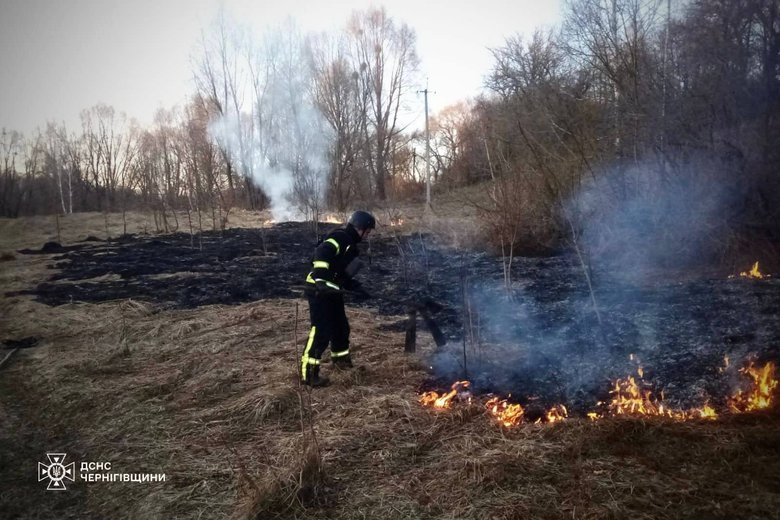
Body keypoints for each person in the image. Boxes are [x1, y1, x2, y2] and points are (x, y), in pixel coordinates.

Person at [300, 210, 376, 387]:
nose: (368, 235)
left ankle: (341, 363)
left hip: (333, 291)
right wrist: (321, 281)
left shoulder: (351, 246)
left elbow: (341, 274)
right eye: (367, 231)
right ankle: (309, 374)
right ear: (360, 228)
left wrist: (356, 288)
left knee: (341, 327)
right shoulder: (341, 237)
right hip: (318, 290)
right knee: (321, 331)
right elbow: (321, 253)